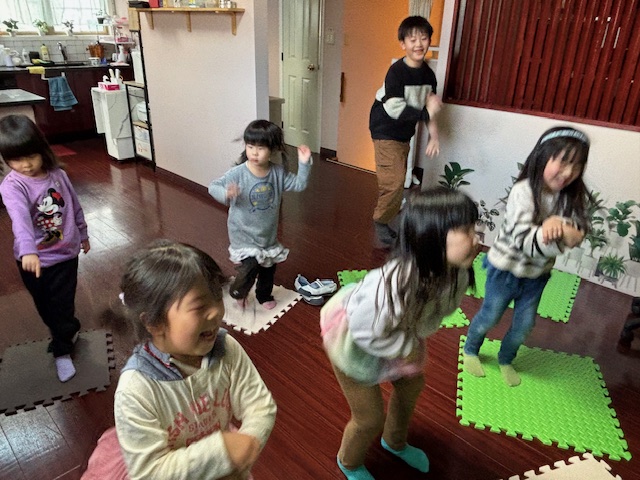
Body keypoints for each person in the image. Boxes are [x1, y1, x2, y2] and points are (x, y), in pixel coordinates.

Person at [321, 188, 479, 480]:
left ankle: (394, 441)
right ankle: (349, 462)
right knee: (369, 418)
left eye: (474, 229)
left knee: (411, 386)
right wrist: (404, 347)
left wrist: (409, 341)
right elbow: (365, 331)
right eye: (466, 231)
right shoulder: (391, 287)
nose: (477, 239)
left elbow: (436, 314)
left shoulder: (455, 272)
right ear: (430, 237)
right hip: (355, 340)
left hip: (396, 334)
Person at [89, 240, 277, 479]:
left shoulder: (225, 349)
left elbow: (259, 405)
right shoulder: (136, 390)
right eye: (199, 307)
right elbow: (150, 472)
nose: (216, 311)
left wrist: (250, 440)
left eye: (216, 297)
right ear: (154, 323)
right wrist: (220, 453)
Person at [463, 126, 591, 387]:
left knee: (524, 326)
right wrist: (557, 233)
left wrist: (562, 227)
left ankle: (506, 359)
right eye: (563, 162)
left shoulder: (568, 197)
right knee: (490, 316)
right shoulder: (523, 192)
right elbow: (524, 242)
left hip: (536, 276)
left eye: (577, 165)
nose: (569, 172)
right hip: (505, 270)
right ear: (543, 157)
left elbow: (578, 229)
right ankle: (471, 349)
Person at [0, 114, 90, 383]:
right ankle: (68, 330)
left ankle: (62, 350)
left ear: (42, 149)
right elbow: (20, 219)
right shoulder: (12, 186)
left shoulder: (58, 175)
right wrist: (28, 250)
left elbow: (74, 206)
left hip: (65, 255)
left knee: (61, 305)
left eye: (30, 156)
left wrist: (83, 234)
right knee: (46, 308)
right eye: (16, 159)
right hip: (32, 260)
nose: (25, 165)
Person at [208, 119, 312, 310]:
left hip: (267, 236)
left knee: (268, 269)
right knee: (250, 266)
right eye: (250, 147)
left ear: (272, 150)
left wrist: (304, 163)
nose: (254, 152)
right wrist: (226, 193)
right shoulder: (238, 173)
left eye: (261, 148)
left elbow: (299, 184)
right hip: (242, 234)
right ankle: (239, 291)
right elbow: (213, 187)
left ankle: (264, 295)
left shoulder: (277, 173)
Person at [369, 15, 443, 247]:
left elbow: (429, 107)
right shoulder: (396, 72)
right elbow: (394, 108)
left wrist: (434, 136)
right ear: (403, 44)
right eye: (412, 39)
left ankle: (390, 209)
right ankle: (381, 222)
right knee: (394, 181)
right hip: (385, 128)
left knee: (400, 180)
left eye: (424, 38)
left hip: (403, 132)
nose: (419, 44)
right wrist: (426, 114)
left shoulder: (428, 75)